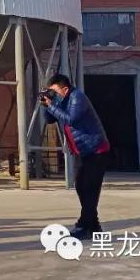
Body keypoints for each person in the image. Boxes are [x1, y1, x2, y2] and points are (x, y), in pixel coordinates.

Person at [42, 74, 110, 240]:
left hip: (96, 149)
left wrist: (52, 105)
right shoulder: (61, 100)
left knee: (89, 189)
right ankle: (93, 226)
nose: (53, 95)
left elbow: (71, 119)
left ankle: (85, 225)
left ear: (65, 89)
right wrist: (45, 105)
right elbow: (49, 120)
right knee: (81, 186)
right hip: (84, 151)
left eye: (55, 92)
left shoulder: (77, 97)